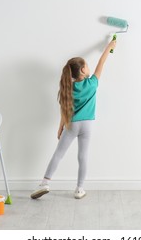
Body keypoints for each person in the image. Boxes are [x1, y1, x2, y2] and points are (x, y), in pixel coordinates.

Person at [31, 39, 117, 199]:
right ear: (83, 70)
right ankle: (79, 189)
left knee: (58, 154)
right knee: (83, 156)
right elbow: (101, 61)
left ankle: (44, 183)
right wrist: (109, 47)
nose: (89, 67)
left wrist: (60, 127)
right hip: (88, 125)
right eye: (86, 65)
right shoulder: (92, 84)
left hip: (72, 125)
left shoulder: (67, 88)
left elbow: (65, 109)